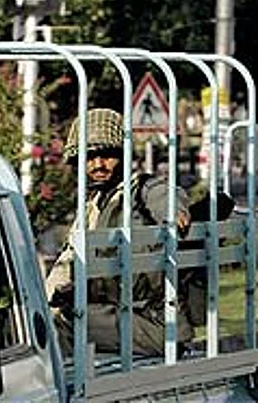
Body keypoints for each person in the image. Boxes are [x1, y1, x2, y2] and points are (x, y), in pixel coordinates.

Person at [45, 108, 194, 357]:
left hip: (153, 322)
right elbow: (66, 264)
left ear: (123, 155)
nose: (98, 165)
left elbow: (164, 194)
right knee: (38, 322)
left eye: (107, 156)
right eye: (89, 158)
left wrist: (174, 212)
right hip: (116, 316)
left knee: (58, 326)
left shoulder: (140, 190)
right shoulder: (91, 208)